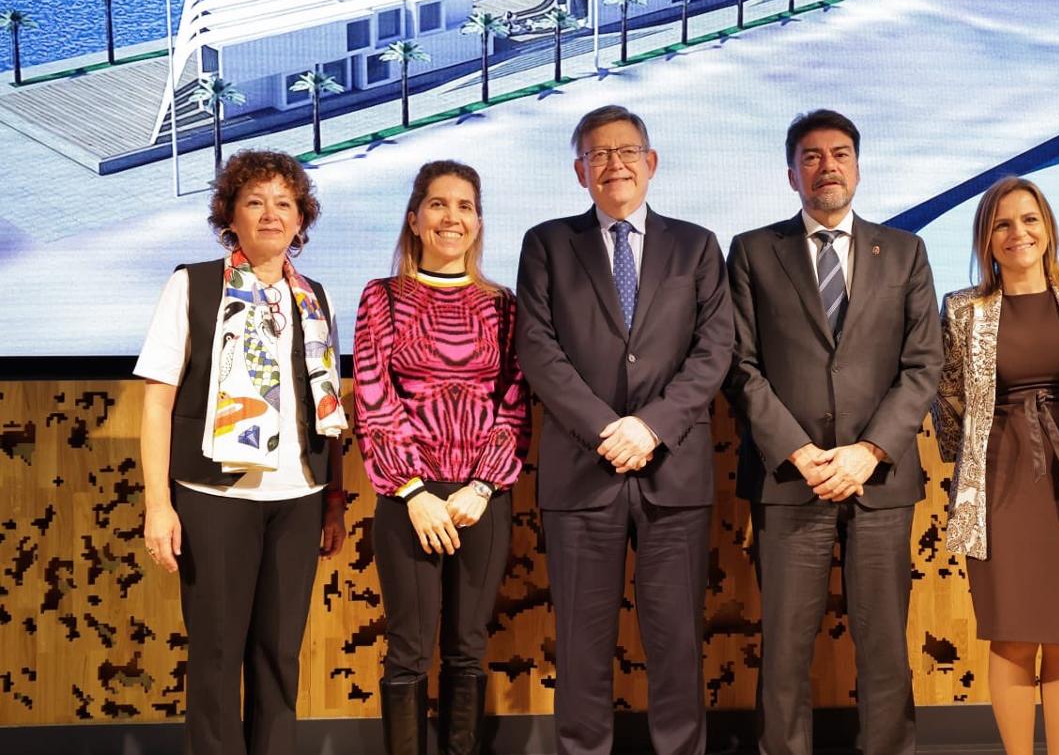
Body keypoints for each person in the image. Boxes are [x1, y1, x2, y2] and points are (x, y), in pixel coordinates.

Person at [515, 105, 733, 755]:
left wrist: (653, 428)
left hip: (674, 472)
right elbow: (537, 348)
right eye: (599, 154)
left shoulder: (696, 245)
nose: (615, 164)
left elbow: (714, 349)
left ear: (651, 163)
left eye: (627, 151)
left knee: (676, 640)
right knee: (581, 645)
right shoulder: (547, 243)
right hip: (584, 471)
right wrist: (609, 430)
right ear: (579, 171)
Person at [722, 109, 942, 755]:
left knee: (884, 647)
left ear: (858, 166)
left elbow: (923, 365)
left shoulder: (905, 252)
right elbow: (741, 365)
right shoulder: (753, 252)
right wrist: (799, 451)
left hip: (881, 480)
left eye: (840, 153)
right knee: (785, 650)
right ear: (791, 173)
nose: (827, 167)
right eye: (812, 156)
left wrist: (869, 452)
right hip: (791, 478)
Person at [137, 149, 349, 755]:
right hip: (213, 498)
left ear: (301, 220)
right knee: (216, 655)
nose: (271, 214)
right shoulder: (192, 285)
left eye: (285, 203)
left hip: (299, 497)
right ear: (229, 215)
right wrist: (159, 505)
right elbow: (155, 403)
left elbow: (325, 410)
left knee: (279, 656)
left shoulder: (317, 298)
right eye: (254, 201)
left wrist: (333, 501)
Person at [932, 176, 1059, 755]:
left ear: (1047, 229)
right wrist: (965, 468)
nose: (1017, 233)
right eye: (1002, 224)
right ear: (986, 238)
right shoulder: (963, 308)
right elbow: (948, 397)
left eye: (1028, 220)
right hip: (999, 484)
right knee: (1012, 636)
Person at [353, 160, 530, 755]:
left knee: (468, 646)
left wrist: (483, 487)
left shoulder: (503, 305)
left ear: (478, 223)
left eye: (464, 206)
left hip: (481, 500)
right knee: (407, 648)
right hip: (409, 501)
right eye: (438, 204)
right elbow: (374, 400)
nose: (451, 217)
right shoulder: (382, 298)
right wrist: (413, 493)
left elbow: (514, 401)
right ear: (414, 218)